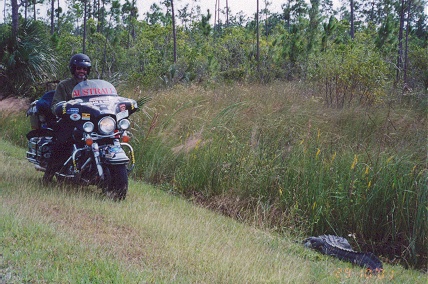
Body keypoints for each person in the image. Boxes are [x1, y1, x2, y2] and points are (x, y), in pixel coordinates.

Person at [43, 53, 92, 183]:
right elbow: (55, 105)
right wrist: (64, 109)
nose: (82, 71)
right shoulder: (64, 85)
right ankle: (48, 175)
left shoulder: (92, 86)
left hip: (88, 121)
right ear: (73, 69)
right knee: (62, 143)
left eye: (84, 69)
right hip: (69, 121)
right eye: (79, 68)